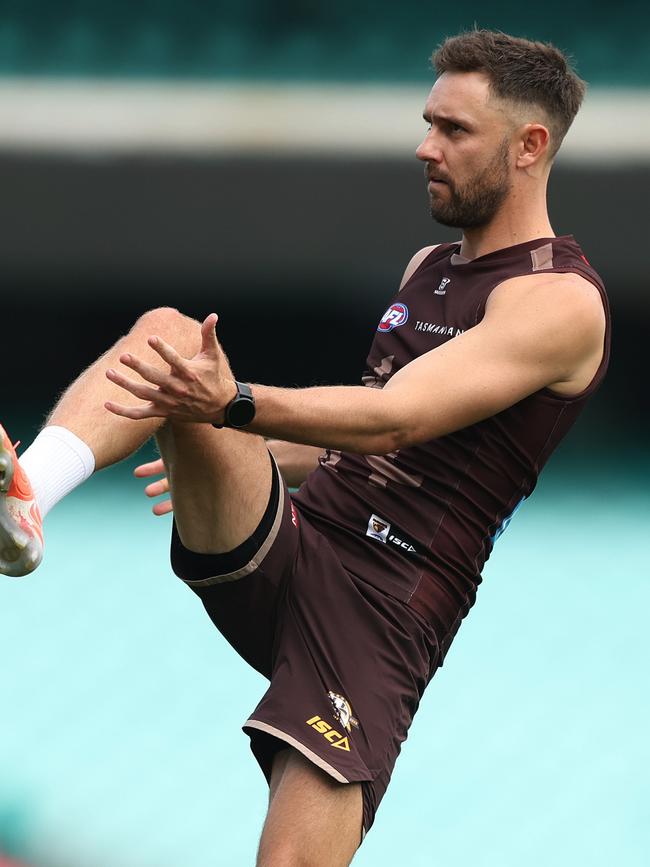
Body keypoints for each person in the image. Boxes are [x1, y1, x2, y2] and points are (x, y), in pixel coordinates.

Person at [0, 30, 609, 867]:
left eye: (454, 130)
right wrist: (244, 441)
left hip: (380, 611)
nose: (425, 146)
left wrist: (233, 405)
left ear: (530, 145)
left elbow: (400, 419)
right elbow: (372, 435)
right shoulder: (428, 265)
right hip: (295, 542)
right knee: (172, 338)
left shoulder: (561, 302)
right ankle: (26, 498)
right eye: (427, 121)